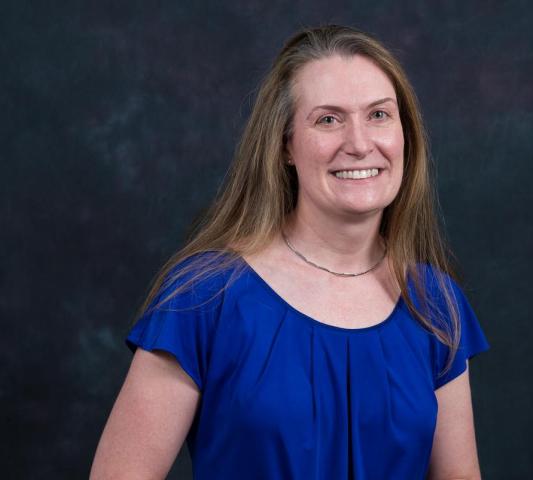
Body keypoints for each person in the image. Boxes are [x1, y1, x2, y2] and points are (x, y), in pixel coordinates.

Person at [90, 24, 490, 479]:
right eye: (328, 119)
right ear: (285, 146)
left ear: (405, 134)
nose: (359, 144)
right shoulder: (203, 297)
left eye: (379, 115)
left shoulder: (436, 303)